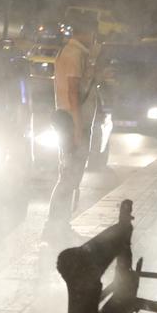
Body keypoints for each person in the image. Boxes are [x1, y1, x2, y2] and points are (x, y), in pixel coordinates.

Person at [43, 13, 99, 241]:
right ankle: (54, 225)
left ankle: (60, 224)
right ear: (88, 32)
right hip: (72, 122)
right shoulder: (75, 54)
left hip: (71, 121)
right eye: (94, 33)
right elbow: (73, 93)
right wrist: (78, 128)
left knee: (70, 175)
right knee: (69, 176)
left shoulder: (77, 53)